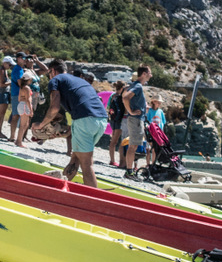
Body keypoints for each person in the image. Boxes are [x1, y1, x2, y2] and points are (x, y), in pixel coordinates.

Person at [37, 59, 109, 188]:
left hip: (85, 119)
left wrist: (41, 125)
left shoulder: (56, 79)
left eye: (49, 74)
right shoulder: (79, 80)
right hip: (101, 119)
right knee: (76, 157)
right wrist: (69, 131)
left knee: (86, 165)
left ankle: (94, 201)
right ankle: (60, 187)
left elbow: (54, 108)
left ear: (52, 71)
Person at [121, 67, 151, 178]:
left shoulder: (135, 85)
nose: (151, 75)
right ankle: (129, 172)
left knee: (132, 146)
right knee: (132, 146)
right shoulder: (138, 86)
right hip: (136, 120)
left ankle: (130, 170)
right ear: (144, 74)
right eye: (150, 73)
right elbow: (125, 98)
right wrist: (131, 112)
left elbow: (124, 95)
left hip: (136, 119)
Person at [0, 56, 14, 138]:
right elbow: (1, 84)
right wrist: (11, 83)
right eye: (9, 64)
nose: (10, 66)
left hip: (4, 93)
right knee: (0, 113)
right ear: (5, 63)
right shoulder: (1, 71)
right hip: (1, 93)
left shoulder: (5, 71)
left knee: (2, 113)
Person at [14, 69, 37, 148]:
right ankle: (19, 141)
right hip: (25, 106)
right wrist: (31, 110)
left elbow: (19, 99)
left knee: (25, 124)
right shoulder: (27, 88)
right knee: (23, 125)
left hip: (21, 105)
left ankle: (18, 140)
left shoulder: (22, 87)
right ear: (29, 79)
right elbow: (28, 100)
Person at [143, 95, 166, 168]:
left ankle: (153, 164)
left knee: (154, 150)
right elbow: (147, 122)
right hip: (150, 133)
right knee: (148, 149)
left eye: (160, 102)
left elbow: (163, 122)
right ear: (153, 102)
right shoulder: (149, 111)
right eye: (157, 102)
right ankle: (147, 163)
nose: (159, 103)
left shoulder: (161, 111)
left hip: (158, 134)